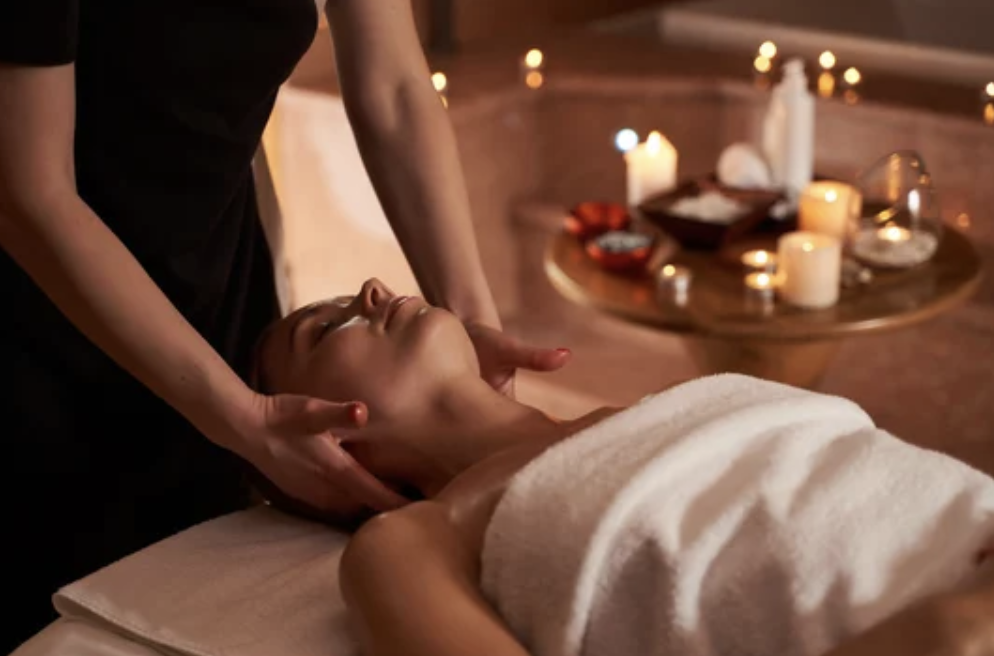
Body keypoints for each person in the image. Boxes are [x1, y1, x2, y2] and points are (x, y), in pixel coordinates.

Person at [0, 1, 570, 650]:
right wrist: (238, 415)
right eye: (326, 326)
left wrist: (471, 328)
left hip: (212, 274)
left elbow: (395, 87)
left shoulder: (647, 431)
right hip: (30, 327)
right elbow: (31, 194)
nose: (373, 289)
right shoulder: (401, 550)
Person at [254, 278, 994, 656]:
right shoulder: (414, 542)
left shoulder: (675, 400)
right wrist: (941, 627)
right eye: (325, 325)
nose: (376, 290)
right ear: (322, 450)